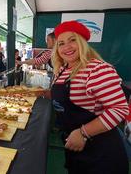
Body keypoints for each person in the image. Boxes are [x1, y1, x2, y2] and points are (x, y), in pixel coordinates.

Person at [50, 20, 129, 173]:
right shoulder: (62, 70)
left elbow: (119, 109)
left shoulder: (97, 69)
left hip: (100, 152)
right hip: (75, 147)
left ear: (83, 43)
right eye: (61, 43)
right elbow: (67, 98)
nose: (66, 47)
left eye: (73, 40)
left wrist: (83, 133)